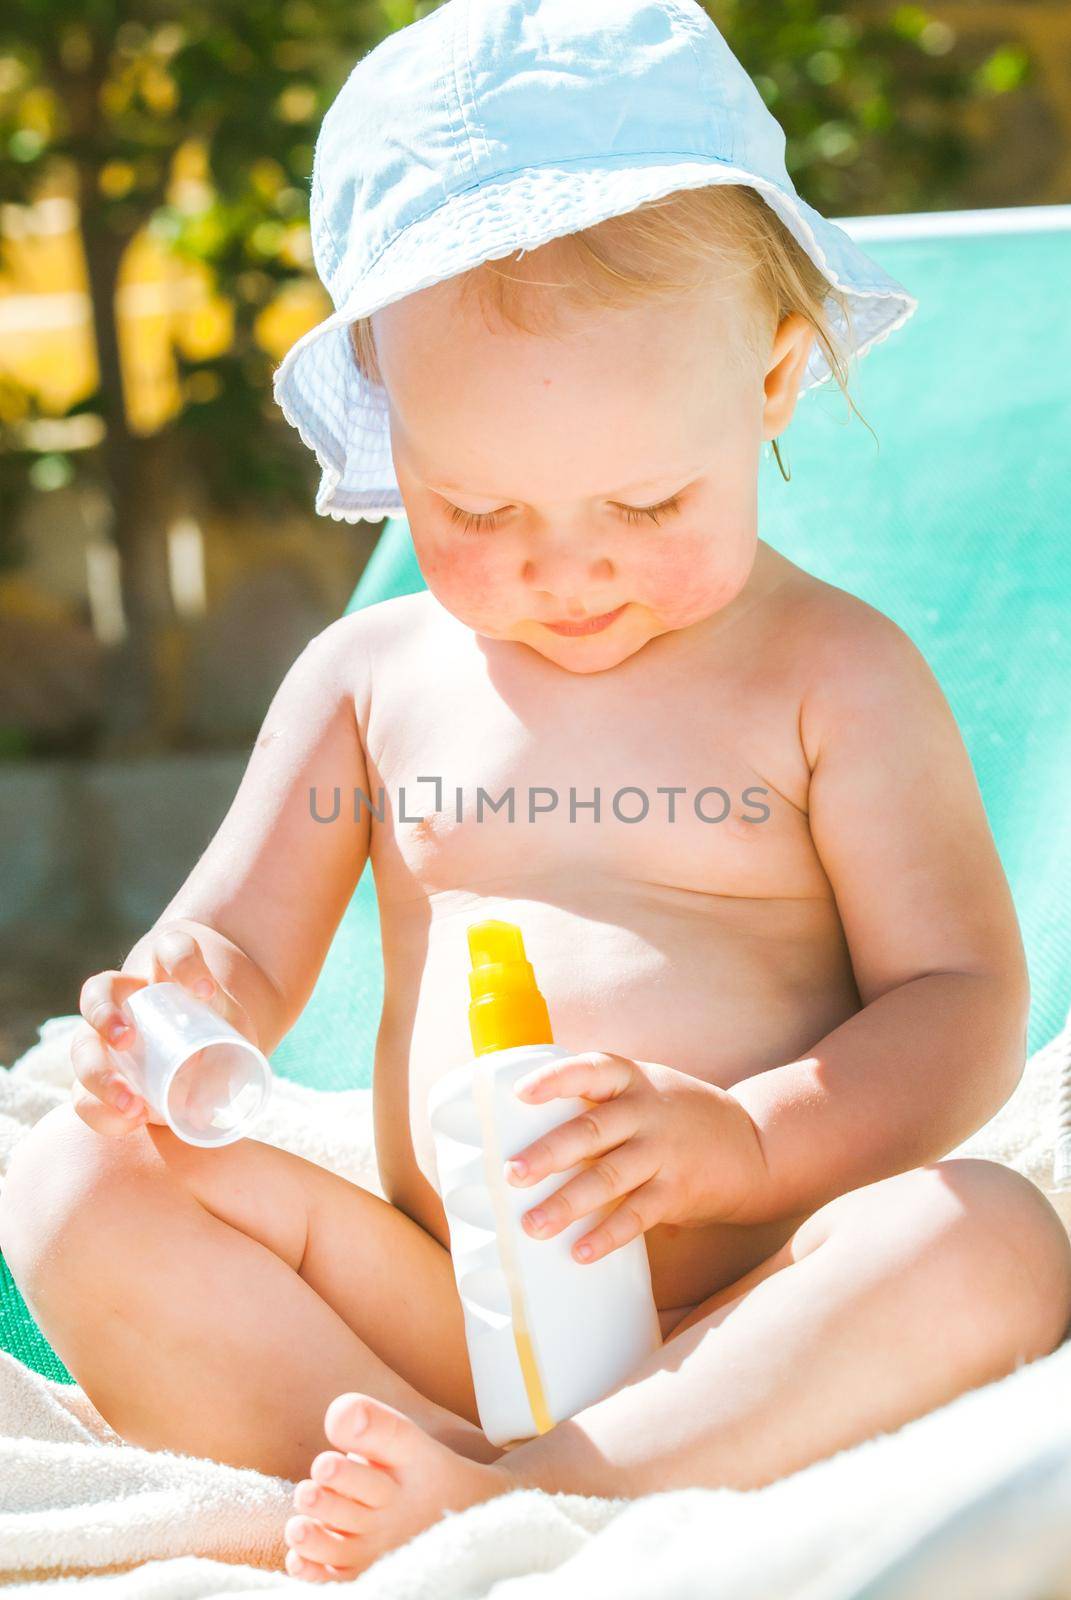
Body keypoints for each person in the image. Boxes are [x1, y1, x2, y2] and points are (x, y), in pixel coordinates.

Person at [3, 0, 1070, 1583]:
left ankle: (555, 1483)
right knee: (73, 1184)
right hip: (438, 1299)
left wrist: (750, 1146)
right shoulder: (369, 680)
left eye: (647, 500)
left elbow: (964, 998)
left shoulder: (834, 677)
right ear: (390, 415)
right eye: (475, 503)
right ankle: (416, 1465)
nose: (564, 570)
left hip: (748, 1309)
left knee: (988, 1240)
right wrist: (177, 1013)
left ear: (773, 382)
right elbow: (236, 946)